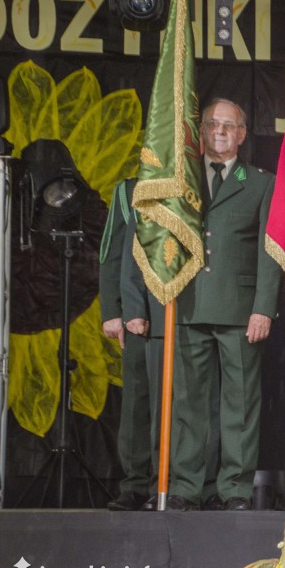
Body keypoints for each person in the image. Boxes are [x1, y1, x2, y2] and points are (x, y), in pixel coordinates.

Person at [167, 98, 280, 511]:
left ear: (242, 134)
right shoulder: (181, 179)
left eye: (229, 126)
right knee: (189, 404)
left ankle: (234, 489)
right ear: (201, 131)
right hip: (190, 303)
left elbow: (269, 252)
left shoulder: (261, 183)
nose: (220, 131)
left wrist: (263, 307)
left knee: (241, 406)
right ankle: (186, 486)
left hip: (240, 310)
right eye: (212, 124)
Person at [100, 178, 162, 511]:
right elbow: (113, 247)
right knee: (138, 399)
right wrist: (112, 309)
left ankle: (173, 485)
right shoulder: (128, 189)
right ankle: (137, 484)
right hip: (139, 309)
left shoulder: (199, 179)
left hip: (188, 309)